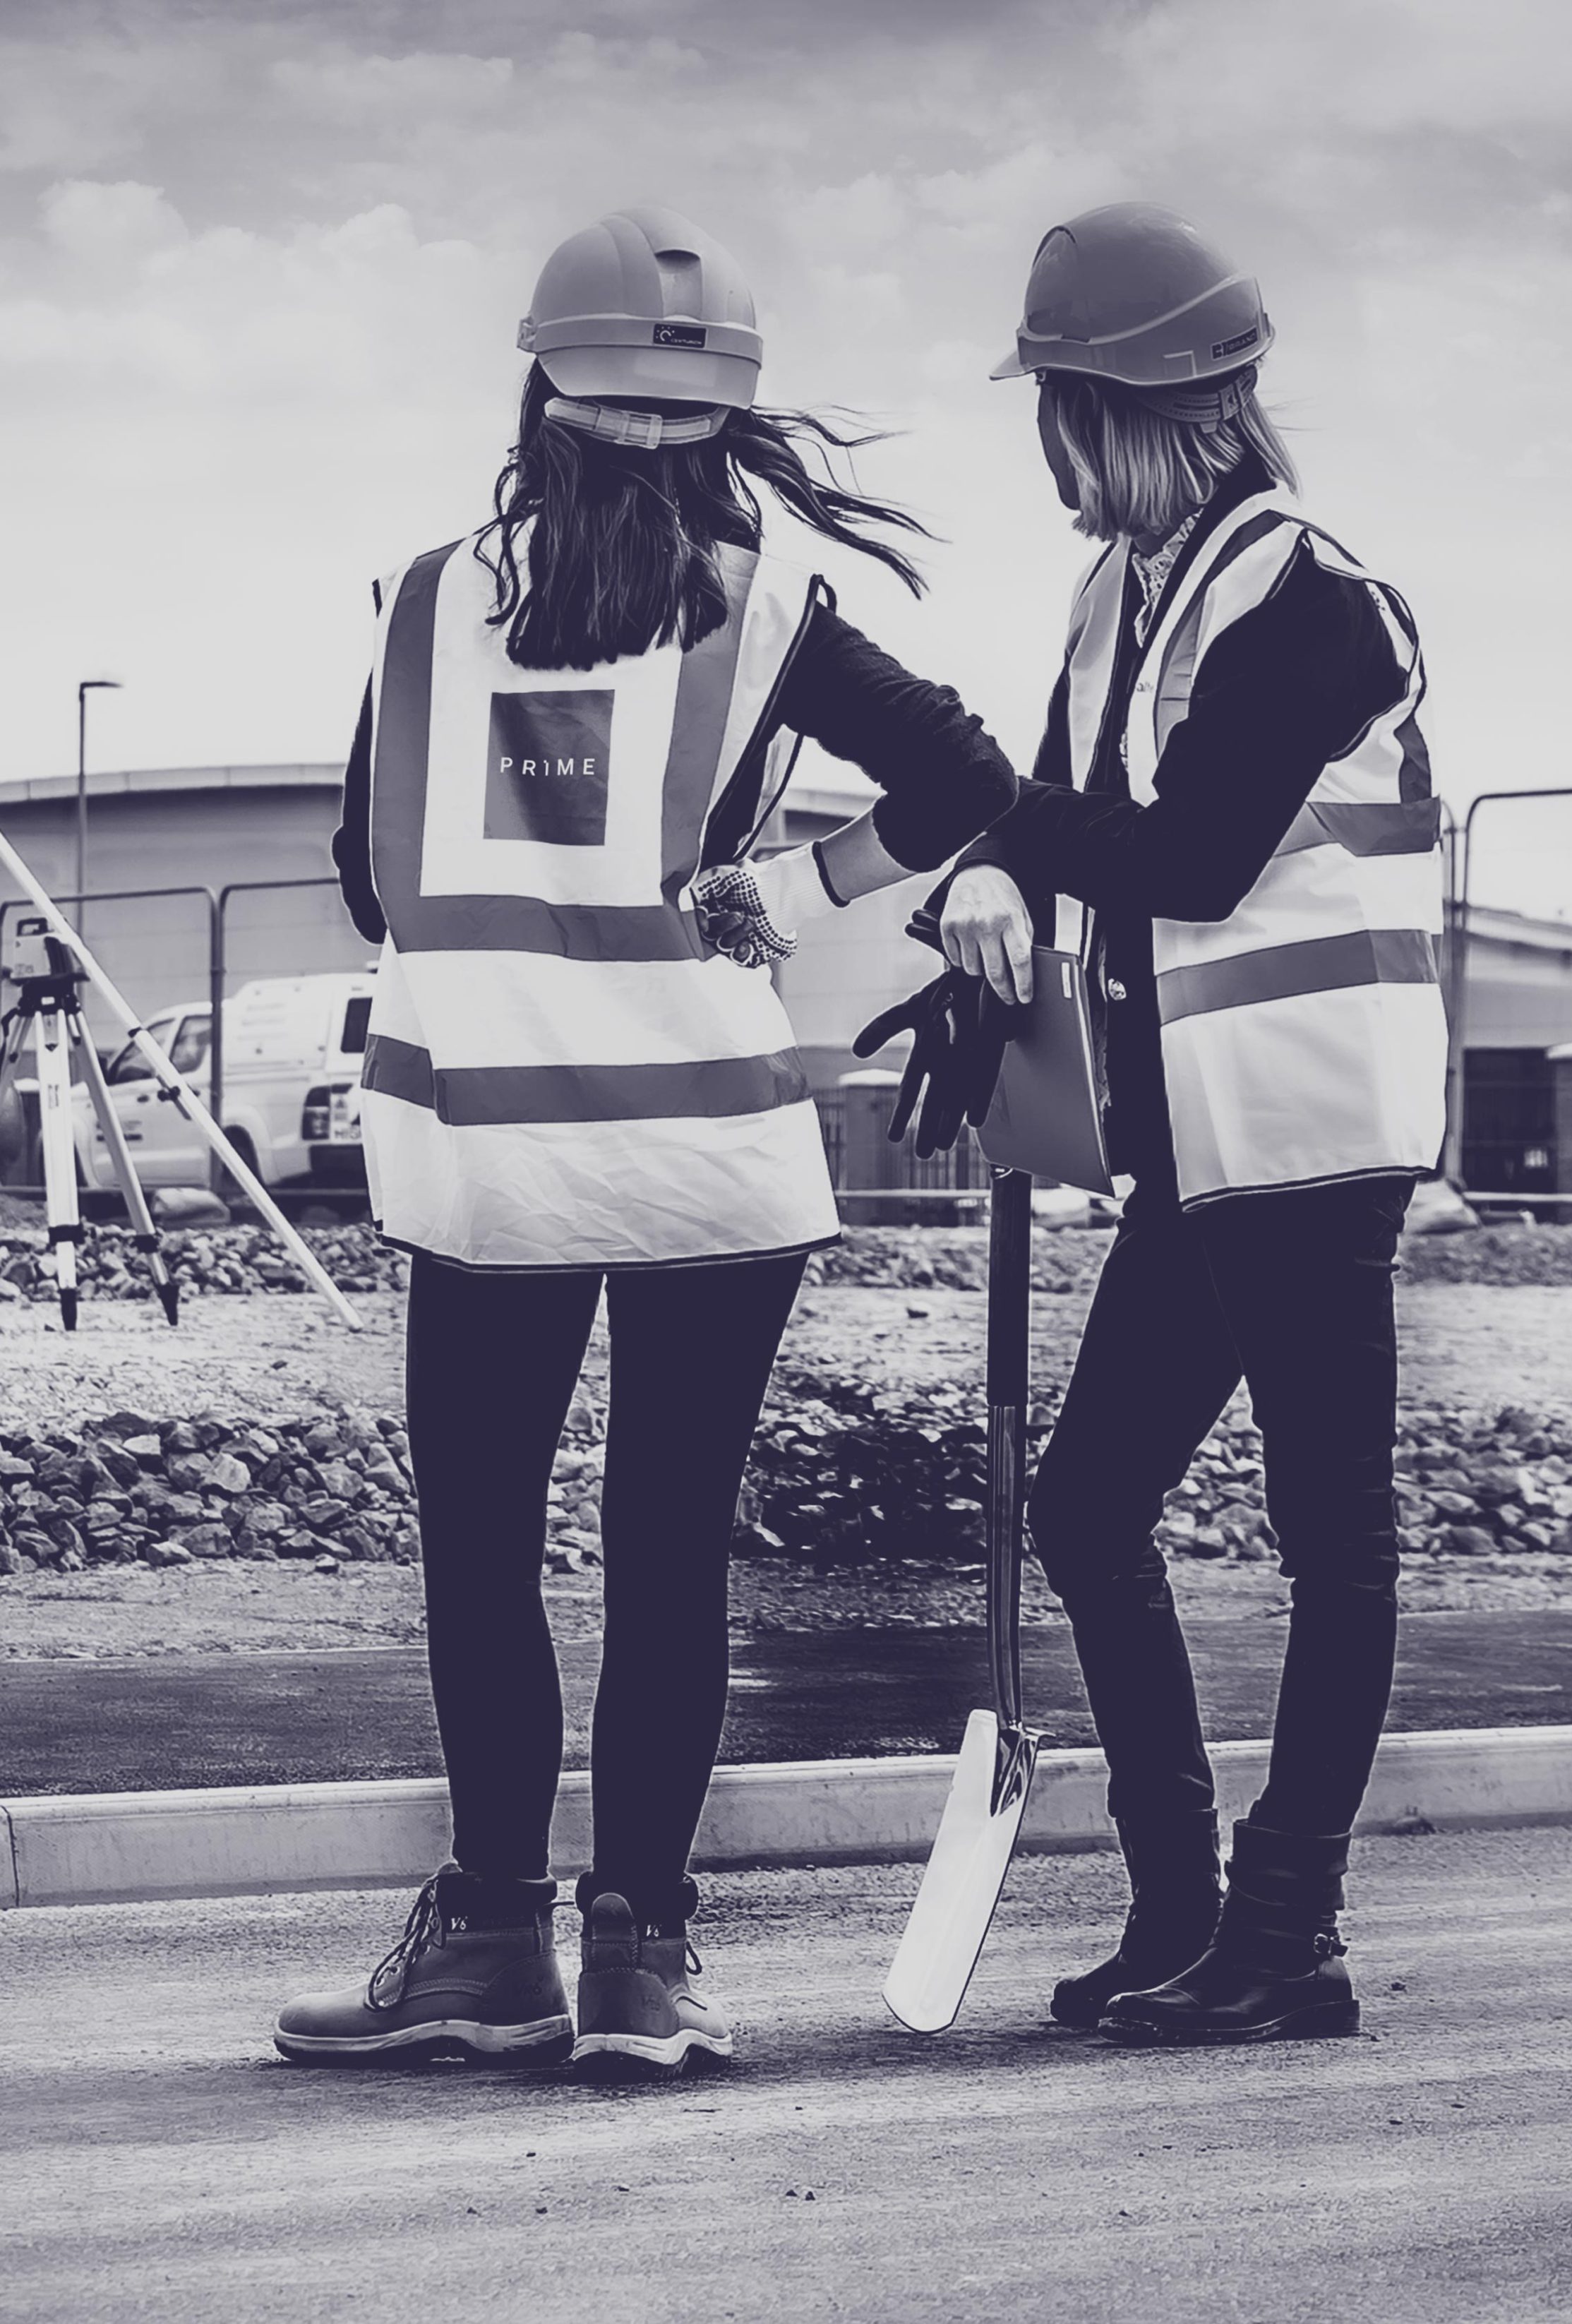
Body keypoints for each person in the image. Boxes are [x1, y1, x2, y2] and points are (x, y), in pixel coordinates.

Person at [272, 205, 1016, 2079]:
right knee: (668, 1545)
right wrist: (789, 873)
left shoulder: (430, 595)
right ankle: (646, 1959)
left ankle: (492, 1943)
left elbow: (371, 873)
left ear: (545, 385)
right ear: (721, 413)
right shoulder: (773, 605)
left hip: (486, 1149)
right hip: (708, 1147)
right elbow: (969, 781)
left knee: (480, 1547)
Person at [938, 203, 1446, 2044]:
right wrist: (978, 955)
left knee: (1329, 1535)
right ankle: (1182, 1910)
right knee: (1087, 1504)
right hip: (1197, 1151)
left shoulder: (1314, 607)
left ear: (1118, 407)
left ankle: (1285, 1928)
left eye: (1054, 409)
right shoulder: (1116, 600)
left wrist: (986, 831)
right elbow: (1065, 822)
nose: (1043, 448)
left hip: (1309, 1139)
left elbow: (1192, 855)